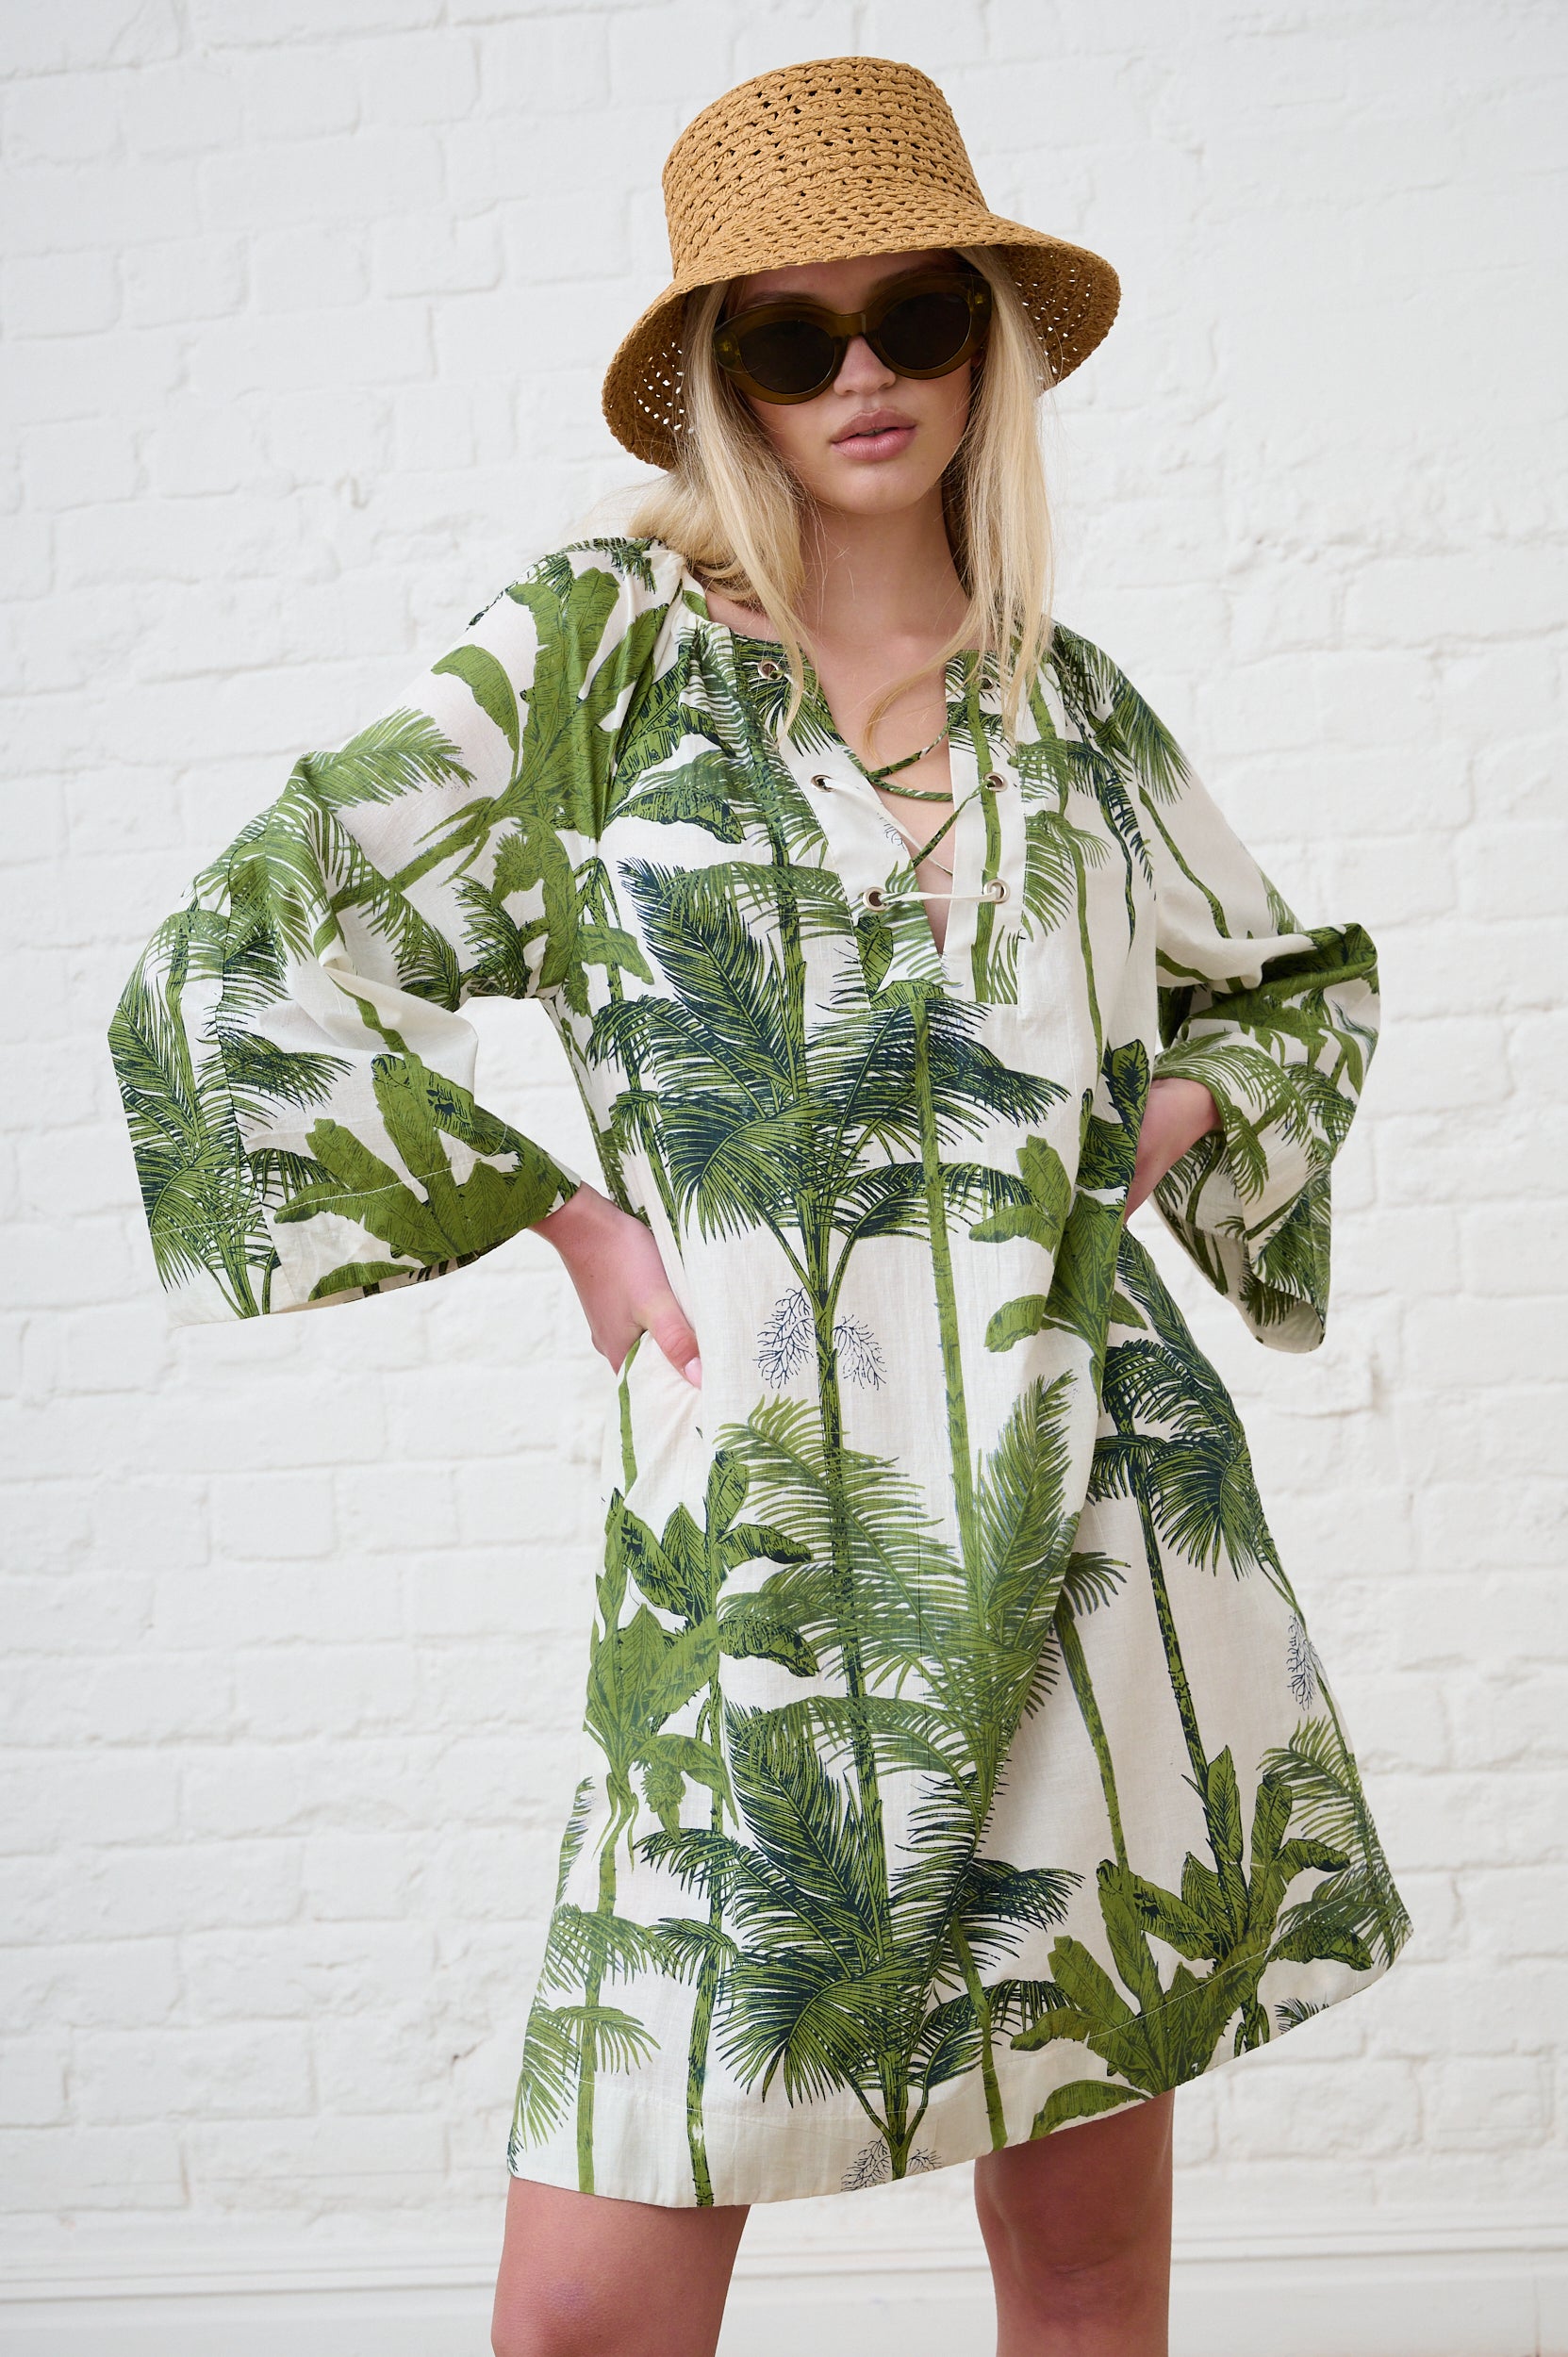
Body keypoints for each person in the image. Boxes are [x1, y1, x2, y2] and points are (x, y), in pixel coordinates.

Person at [107, 54, 1411, 2357]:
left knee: (1089, 2289)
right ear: (718, 384)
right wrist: (560, 1215)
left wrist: (1170, 1119)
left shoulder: (1073, 715)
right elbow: (242, 951)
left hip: (1095, 1534)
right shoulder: (594, 664)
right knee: (588, 2313)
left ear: (985, 341)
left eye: (912, 313)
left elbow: (1295, 987)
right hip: (763, 1570)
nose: (866, 373)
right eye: (792, 338)